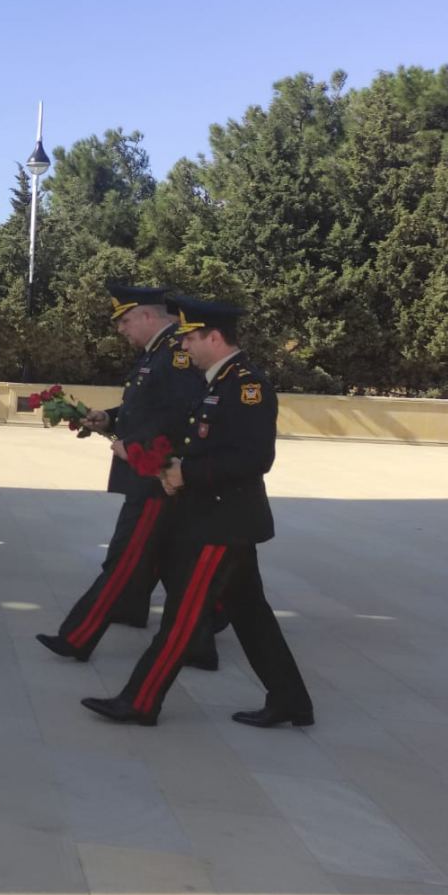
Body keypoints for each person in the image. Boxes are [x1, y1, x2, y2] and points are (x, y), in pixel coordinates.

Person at [81, 297, 314, 728]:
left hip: (222, 522)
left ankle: (141, 701)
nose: (184, 343)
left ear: (215, 337)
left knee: (182, 618)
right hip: (219, 519)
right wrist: (153, 461)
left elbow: (253, 459)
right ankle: (291, 701)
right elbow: (189, 441)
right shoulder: (216, 381)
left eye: (191, 336)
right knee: (252, 617)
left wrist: (185, 473)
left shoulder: (247, 386)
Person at [36, 283, 215, 666]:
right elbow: (148, 406)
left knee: (126, 557)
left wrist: (136, 448)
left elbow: (181, 416)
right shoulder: (158, 353)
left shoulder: (175, 355)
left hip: (155, 474)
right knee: (172, 562)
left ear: (149, 316)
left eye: (126, 320)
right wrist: (111, 418)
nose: (121, 329)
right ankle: (197, 644)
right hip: (151, 469)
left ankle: (78, 637)